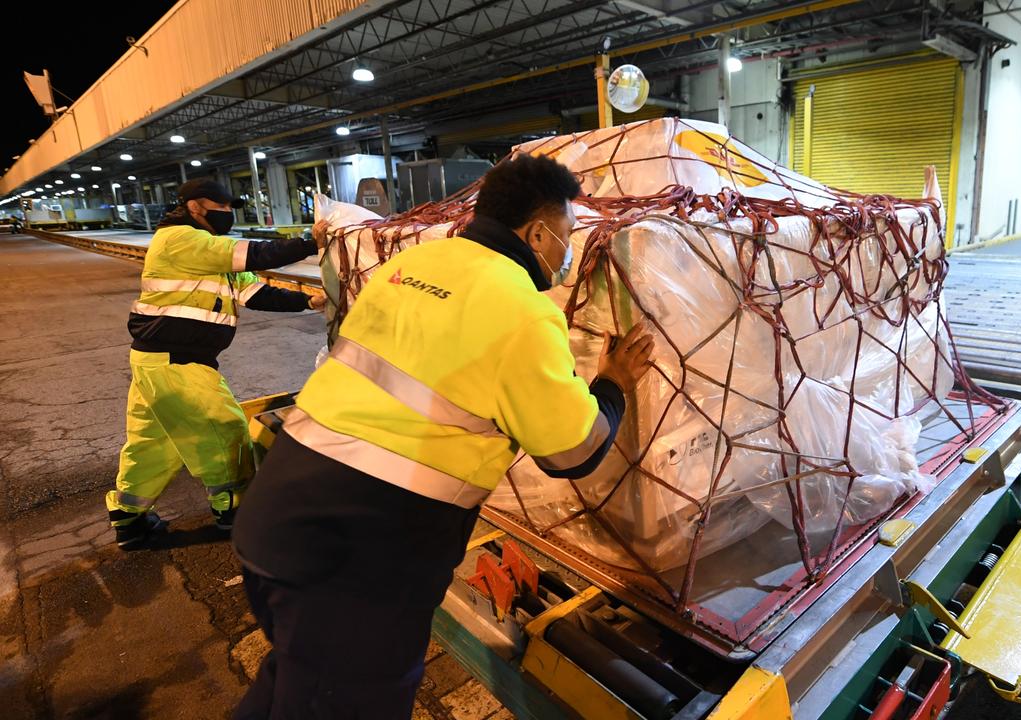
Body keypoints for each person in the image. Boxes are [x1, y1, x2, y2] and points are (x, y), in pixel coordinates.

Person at [232, 154, 654, 719]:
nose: (568, 252)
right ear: (536, 233)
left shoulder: (411, 267)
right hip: (357, 562)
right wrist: (612, 384)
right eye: (568, 235)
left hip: (276, 515)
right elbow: (572, 450)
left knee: (294, 686)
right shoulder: (523, 311)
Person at [107, 178, 324, 549]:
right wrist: (312, 242)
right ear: (195, 207)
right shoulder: (178, 239)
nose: (227, 214)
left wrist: (308, 302)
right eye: (220, 208)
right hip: (178, 362)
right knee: (225, 430)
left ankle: (128, 518)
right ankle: (234, 514)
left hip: (156, 362)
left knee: (153, 442)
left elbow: (254, 292)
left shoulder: (211, 252)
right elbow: (254, 254)